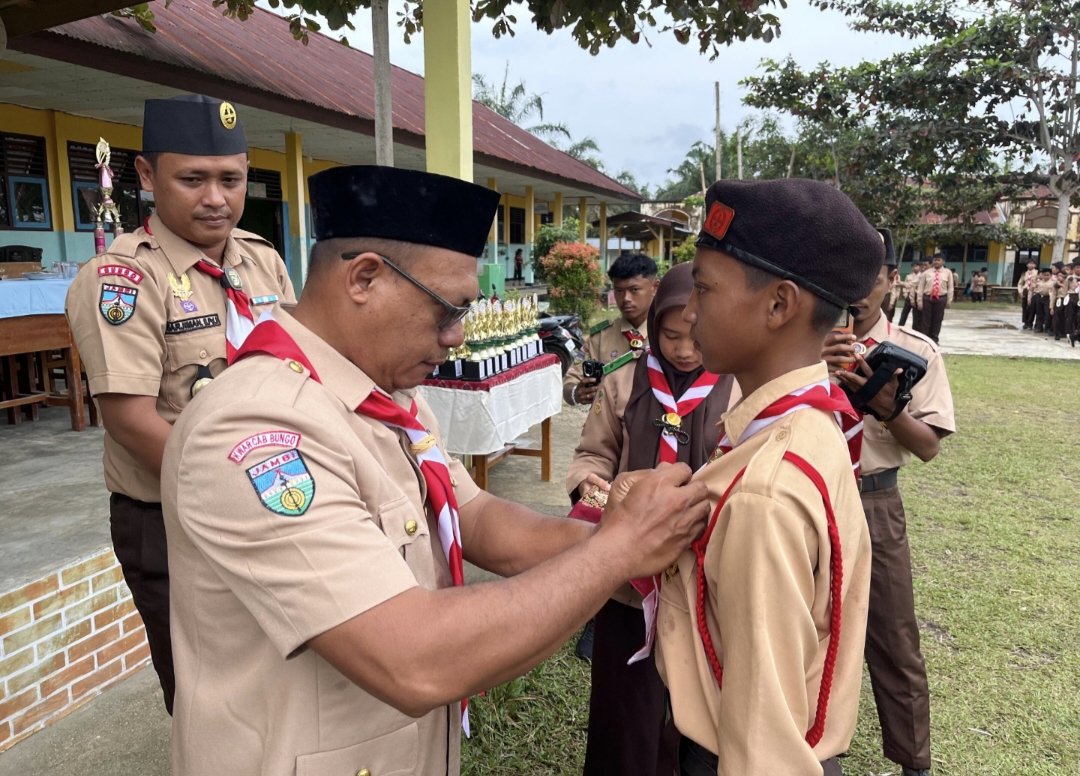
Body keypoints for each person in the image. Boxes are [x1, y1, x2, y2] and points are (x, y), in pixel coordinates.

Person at [159, 165, 710, 776]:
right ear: (365, 277)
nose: (457, 336)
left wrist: (615, 537)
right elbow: (415, 658)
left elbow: (474, 516)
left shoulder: (391, 394)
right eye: (450, 310)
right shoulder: (256, 429)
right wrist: (619, 552)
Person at [64, 94, 296, 714]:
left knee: (282, 681)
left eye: (231, 179)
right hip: (172, 519)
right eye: (192, 179)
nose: (215, 197)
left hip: (273, 498)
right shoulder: (121, 280)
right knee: (209, 699)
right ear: (146, 176)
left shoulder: (263, 261)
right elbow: (131, 419)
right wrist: (245, 485)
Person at [655, 178, 876, 776]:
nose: (690, 312)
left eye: (703, 288)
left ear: (779, 305)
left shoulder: (765, 489)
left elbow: (762, 737)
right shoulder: (805, 428)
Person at [566, 262, 735, 776]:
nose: (684, 350)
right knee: (625, 702)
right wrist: (592, 484)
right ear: (655, 326)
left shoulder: (737, 391)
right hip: (629, 575)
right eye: (670, 335)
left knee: (697, 704)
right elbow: (594, 454)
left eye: (695, 336)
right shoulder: (623, 382)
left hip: (703, 575)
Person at [823, 229, 956, 776]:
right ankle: (818, 747)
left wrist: (886, 407)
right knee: (812, 629)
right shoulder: (807, 347)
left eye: (870, 279)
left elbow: (927, 448)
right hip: (812, 499)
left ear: (891, 281)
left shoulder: (916, 353)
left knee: (893, 636)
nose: (857, 292)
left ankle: (912, 763)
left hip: (875, 503)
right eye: (847, 280)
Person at [564, 253, 659, 406]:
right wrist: (577, 393)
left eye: (634, 289)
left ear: (654, 287)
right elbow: (570, 381)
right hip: (607, 425)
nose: (626, 298)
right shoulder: (600, 337)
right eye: (619, 291)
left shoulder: (667, 334)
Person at [915, 254, 953, 344]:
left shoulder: (948, 273)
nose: (936, 262)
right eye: (935, 260)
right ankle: (925, 338)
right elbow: (920, 287)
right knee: (926, 319)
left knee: (937, 319)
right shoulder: (926, 273)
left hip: (941, 298)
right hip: (927, 298)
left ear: (943, 261)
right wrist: (919, 301)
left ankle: (934, 338)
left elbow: (950, 287)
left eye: (939, 260)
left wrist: (949, 300)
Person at [898, 260, 923, 328]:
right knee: (904, 313)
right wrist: (905, 294)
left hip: (916, 296)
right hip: (908, 295)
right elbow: (905, 287)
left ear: (920, 267)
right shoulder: (908, 276)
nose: (915, 268)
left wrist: (901, 283)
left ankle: (915, 328)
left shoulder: (921, 276)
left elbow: (910, 284)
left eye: (916, 266)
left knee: (916, 314)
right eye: (913, 266)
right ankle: (900, 326)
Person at [1017, 259, 1039, 329]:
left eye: (1033, 263)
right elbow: (1020, 283)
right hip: (1026, 290)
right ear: (1027, 265)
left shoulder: (1037, 273)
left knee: (1031, 307)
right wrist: (1020, 291)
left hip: (1033, 291)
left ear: (1035, 265)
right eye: (1029, 263)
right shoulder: (1024, 273)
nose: (1031, 265)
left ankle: (1030, 323)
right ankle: (1025, 322)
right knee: (1025, 307)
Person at [1032, 267, 1053, 333]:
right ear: (1042, 275)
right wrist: (1035, 279)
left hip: (1048, 298)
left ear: (1050, 275)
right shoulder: (1039, 282)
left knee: (1047, 313)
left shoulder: (1053, 282)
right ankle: (1039, 327)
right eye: (1044, 275)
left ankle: (1047, 327)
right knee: (1039, 313)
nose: (1046, 277)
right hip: (1039, 298)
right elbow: (1032, 287)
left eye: (1048, 275)